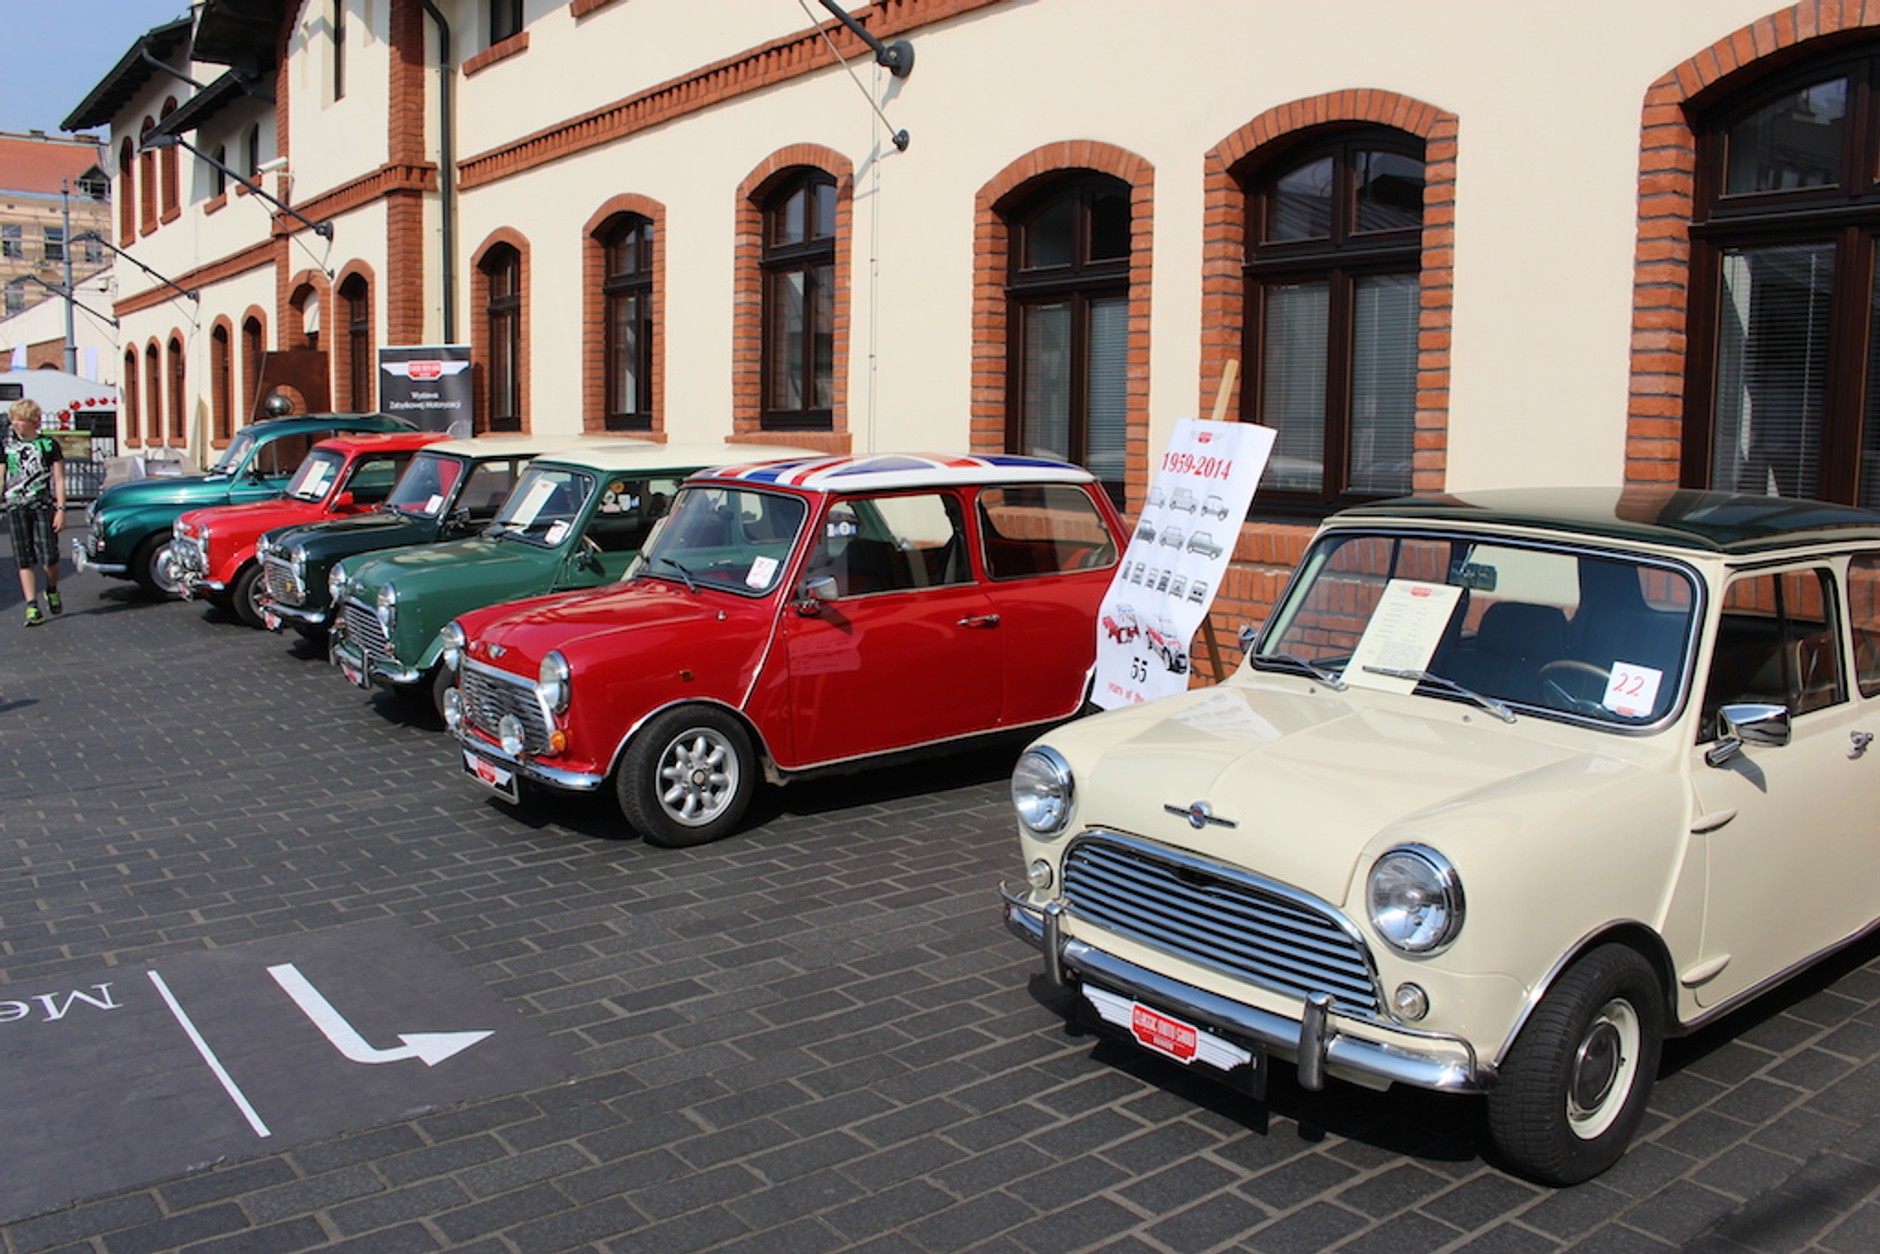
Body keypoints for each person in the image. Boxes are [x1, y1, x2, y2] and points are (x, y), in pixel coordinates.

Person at [4, 399, 66, 626]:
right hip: (16, 506)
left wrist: (61, 509)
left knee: (49, 555)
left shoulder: (49, 445)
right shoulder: (6, 446)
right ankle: (31, 605)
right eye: (13, 419)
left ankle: (51, 588)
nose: (15, 424)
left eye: (19, 419)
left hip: (42, 505)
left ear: (32, 422)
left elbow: (59, 479)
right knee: (24, 557)